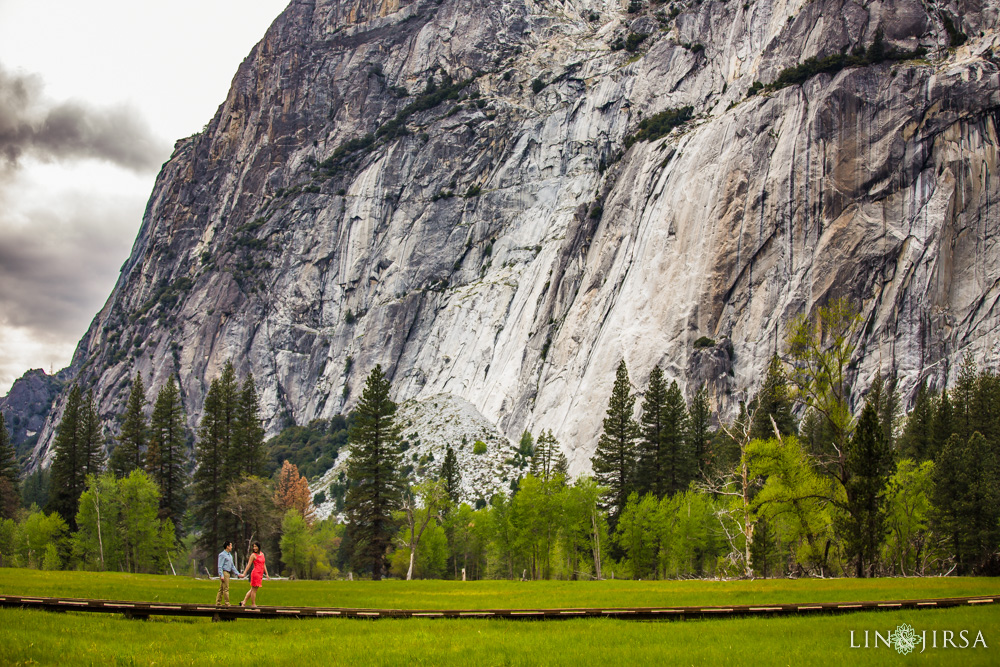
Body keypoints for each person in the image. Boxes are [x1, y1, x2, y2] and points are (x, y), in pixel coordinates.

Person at [240, 541, 269, 608]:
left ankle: (243, 602)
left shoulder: (262, 554)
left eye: (255, 546)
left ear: (259, 547)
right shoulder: (253, 555)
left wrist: (266, 574)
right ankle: (253, 604)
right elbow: (249, 565)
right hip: (255, 573)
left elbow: (264, 564)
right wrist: (244, 573)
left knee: (253, 589)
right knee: (254, 589)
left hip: (260, 574)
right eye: (253, 547)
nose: (254, 548)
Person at [215, 541, 241, 606]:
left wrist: (237, 574)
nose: (231, 547)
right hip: (224, 572)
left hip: (228, 572)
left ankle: (218, 602)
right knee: (226, 588)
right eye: (231, 546)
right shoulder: (222, 555)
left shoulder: (230, 555)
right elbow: (220, 566)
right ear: (227, 546)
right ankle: (227, 603)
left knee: (221, 588)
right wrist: (221, 575)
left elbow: (232, 566)